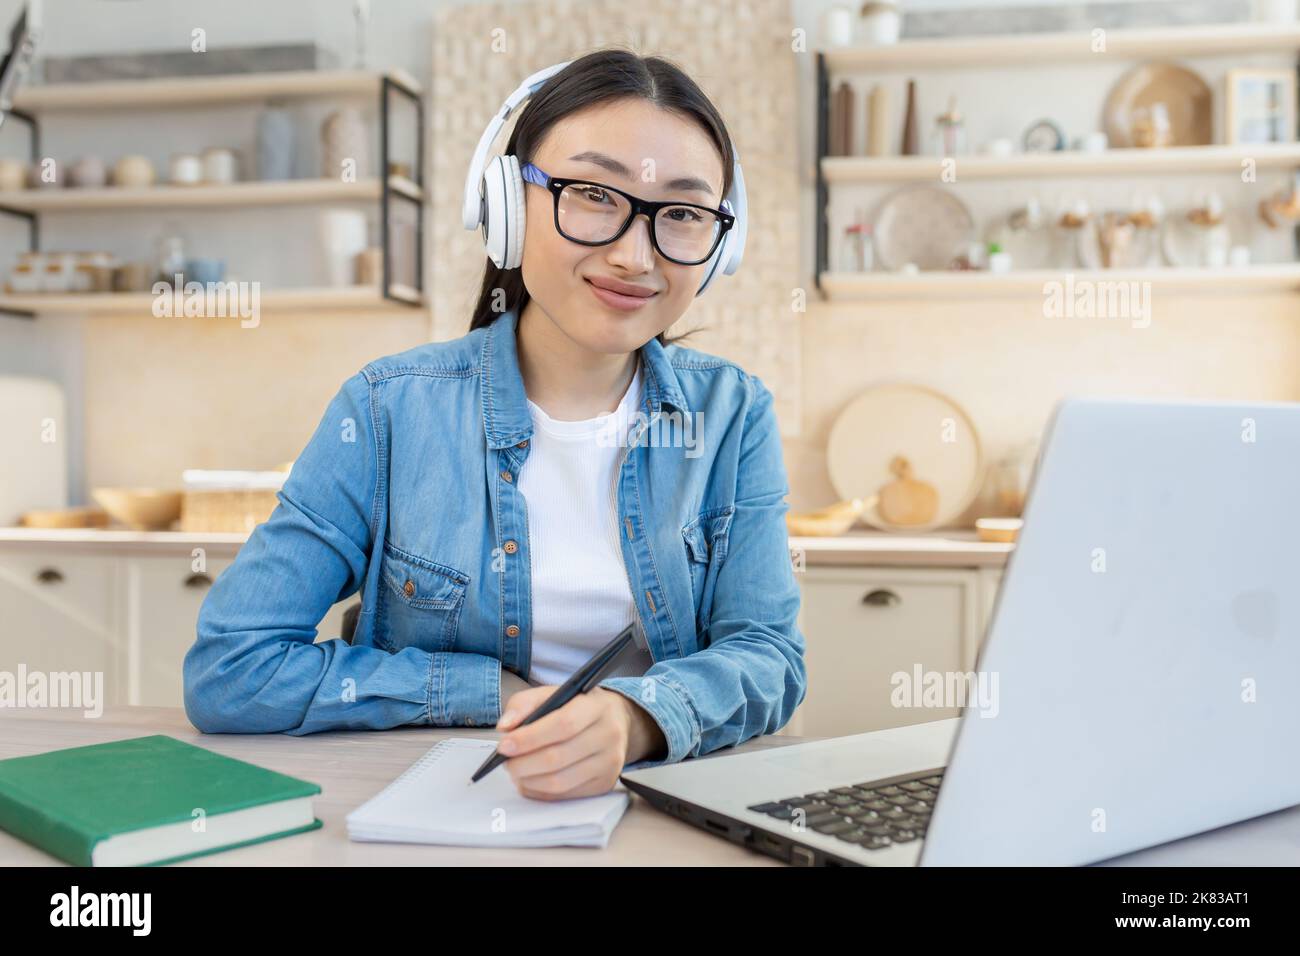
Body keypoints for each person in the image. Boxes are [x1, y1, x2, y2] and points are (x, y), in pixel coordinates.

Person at [183, 49, 806, 801]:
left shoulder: (732, 417)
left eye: (681, 213)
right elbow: (231, 670)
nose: (635, 254)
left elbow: (769, 657)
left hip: (655, 809)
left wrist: (636, 721)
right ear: (507, 206)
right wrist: (488, 692)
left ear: (719, 244)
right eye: (592, 195)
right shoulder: (387, 410)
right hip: (444, 810)